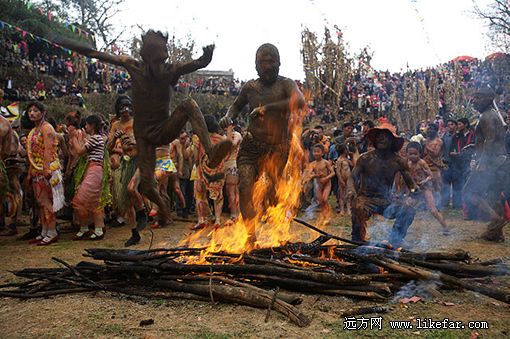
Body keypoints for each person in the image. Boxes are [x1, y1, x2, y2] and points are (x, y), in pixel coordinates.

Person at [53, 30, 232, 226]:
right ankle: (164, 209)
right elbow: (94, 54)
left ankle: (211, 151)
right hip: (144, 135)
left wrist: (206, 57)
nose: (159, 63)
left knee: (188, 104)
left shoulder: (171, 69)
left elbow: (197, 64)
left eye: (162, 55)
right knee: (146, 187)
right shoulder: (132, 65)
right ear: (144, 55)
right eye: (155, 56)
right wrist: (65, 41)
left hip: (165, 128)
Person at [219, 43, 305, 245]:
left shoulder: (286, 84)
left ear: (279, 64)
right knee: (245, 187)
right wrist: (228, 116)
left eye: (271, 62)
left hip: (277, 148)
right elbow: (236, 106)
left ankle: (280, 235)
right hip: (251, 146)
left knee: (275, 195)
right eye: (262, 62)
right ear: (255, 65)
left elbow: (299, 101)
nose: (267, 66)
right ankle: (250, 237)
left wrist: (268, 107)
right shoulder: (250, 87)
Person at [347, 121, 418, 248]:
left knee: (408, 210)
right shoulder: (365, 159)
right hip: (366, 199)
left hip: (386, 200)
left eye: (385, 136)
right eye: (379, 136)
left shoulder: (398, 161)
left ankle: (394, 240)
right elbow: (352, 177)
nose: (381, 138)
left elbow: (411, 185)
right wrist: (351, 191)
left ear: (392, 140)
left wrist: (414, 193)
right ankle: (357, 240)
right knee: (358, 207)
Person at [463, 88, 509, 241]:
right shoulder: (492, 115)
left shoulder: (486, 117)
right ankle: (495, 234)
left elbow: (489, 141)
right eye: (474, 97)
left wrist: (482, 163)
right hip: (499, 161)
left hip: (491, 163)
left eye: (478, 97)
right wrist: (473, 147)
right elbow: (490, 140)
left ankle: (497, 220)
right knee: (493, 197)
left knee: (469, 192)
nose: (474, 100)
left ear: (488, 100)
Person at [25, 101, 64, 245]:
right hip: (37, 170)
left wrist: (46, 168)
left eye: (35, 110)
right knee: (41, 202)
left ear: (43, 113)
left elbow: (49, 150)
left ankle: (52, 232)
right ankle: (44, 231)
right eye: (30, 111)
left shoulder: (47, 128)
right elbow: (32, 154)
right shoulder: (33, 131)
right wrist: (30, 172)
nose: (32, 113)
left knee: (47, 202)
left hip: (47, 170)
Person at [71, 115, 109, 240]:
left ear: (92, 125)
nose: (85, 127)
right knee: (93, 200)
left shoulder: (96, 138)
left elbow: (80, 151)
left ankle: (93, 229)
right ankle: (93, 228)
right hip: (93, 170)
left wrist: (73, 138)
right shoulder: (95, 138)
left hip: (94, 170)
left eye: (87, 124)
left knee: (83, 199)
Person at [406, 142, 450, 235]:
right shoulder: (408, 164)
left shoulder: (422, 163)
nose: (413, 156)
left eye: (415, 154)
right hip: (415, 189)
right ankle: (403, 228)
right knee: (407, 207)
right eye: (410, 154)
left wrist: (424, 182)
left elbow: (430, 176)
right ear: (407, 154)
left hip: (426, 188)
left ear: (420, 153)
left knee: (433, 210)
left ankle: (445, 227)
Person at [193, 115, 228, 230]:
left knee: (200, 195)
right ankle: (217, 220)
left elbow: (196, 157)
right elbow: (226, 156)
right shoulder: (221, 139)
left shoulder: (199, 139)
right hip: (218, 170)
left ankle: (201, 219)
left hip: (202, 170)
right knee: (218, 196)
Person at [449, 118, 475, 209]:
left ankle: (469, 205)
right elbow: (451, 150)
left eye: (460, 124)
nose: (458, 126)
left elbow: (473, 148)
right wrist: (454, 153)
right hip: (457, 163)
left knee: (468, 183)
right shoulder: (456, 137)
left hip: (468, 162)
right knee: (457, 183)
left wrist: (462, 154)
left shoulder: (472, 135)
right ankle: (457, 204)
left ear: (466, 125)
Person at [304, 144, 335, 222]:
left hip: (327, 183)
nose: (316, 153)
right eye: (314, 152)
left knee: (325, 199)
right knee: (320, 201)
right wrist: (315, 175)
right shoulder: (312, 164)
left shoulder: (326, 162)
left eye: (318, 152)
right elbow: (309, 174)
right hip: (318, 184)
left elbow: (333, 173)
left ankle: (328, 216)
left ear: (322, 153)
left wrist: (326, 178)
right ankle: (325, 216)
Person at [224, 125, 243, 221]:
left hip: (233, 165)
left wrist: (228, 133)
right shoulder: (223, 136)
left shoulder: (237, 135)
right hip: (225, 166)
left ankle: (235, 214)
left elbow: (232, 145)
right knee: (229, 192)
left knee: (233, 191)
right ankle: (235, 212)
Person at [441, 119, 457, 208]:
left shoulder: (459, 136)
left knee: (456, 183)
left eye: (452, 124)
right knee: (445, 183)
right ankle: (445, 202)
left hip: (456, 163)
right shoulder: (445, 136)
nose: (450, 126)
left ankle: (456, 203)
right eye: (448, 125)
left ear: (455, 126)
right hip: (446, 162)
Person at [335, 144, 352, 215]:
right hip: (342, 178)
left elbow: (352, 165)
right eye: (346, 149)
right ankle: (342, 209)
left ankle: (348, 208)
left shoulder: (347, 160)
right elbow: (338, 171)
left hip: (348, 179)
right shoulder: (339, 160)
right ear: (344, 151)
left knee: (348, 194)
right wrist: (340, 179)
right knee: (342, 194)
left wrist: (351, 157)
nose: (348, 151)